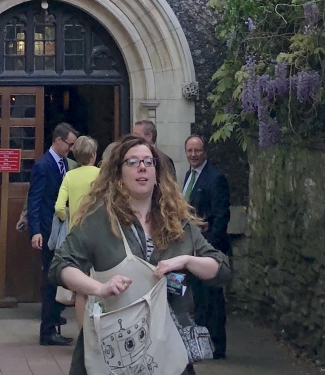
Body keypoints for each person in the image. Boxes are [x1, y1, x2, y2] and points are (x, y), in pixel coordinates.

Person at [49, 133, 231, 375]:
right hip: (112, 349)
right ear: (119, 175)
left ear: (157, 174)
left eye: (148, 162)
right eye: (132, 162)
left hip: (167, 351)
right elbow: (60, 266)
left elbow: (221, 268)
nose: (142, 167)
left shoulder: (178, 224)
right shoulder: (100, 220)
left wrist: (187, 260)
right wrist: (97, 288)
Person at [181, 135, 231, 359]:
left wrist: (206, 245)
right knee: (199, 301)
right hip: (191, 249)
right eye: (190, 151)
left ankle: (217, 347)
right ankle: (201, 346)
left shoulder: (215, 179)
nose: (193, 155)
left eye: (197, 151)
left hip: (208, 251)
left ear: (205, 152)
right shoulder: (187, 176)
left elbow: (221, 218)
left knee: (213, 301)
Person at [29, 122, 78, 346]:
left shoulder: (67, 164)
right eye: (69, 144)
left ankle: (54, 322)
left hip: (63, 232)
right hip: (49, 232)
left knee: (58, 278)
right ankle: (47, 331)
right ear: (58, 140)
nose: (71, 148)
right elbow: (35, 200)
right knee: (50, 280)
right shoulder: (42, 165)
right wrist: (35, 231)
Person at [55, 134, 101, 230]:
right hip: (97, 230)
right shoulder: (101, 174)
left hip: (74, 230)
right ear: (93, 154)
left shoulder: (69, 176)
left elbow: (59, 207)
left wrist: (66, 218)